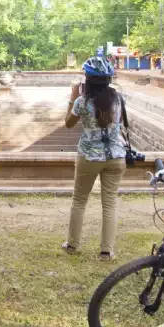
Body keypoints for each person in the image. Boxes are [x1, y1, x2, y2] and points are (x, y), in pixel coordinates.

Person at [61, 54, 125, 261]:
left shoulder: (82, 101)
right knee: (110, 203)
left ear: (87, 80)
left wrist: (73, 96)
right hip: (116, 156)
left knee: (79, 200)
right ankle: (106, 251)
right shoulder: (118, 99)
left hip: (89, 156)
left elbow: (68, 124)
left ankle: (72, 245)